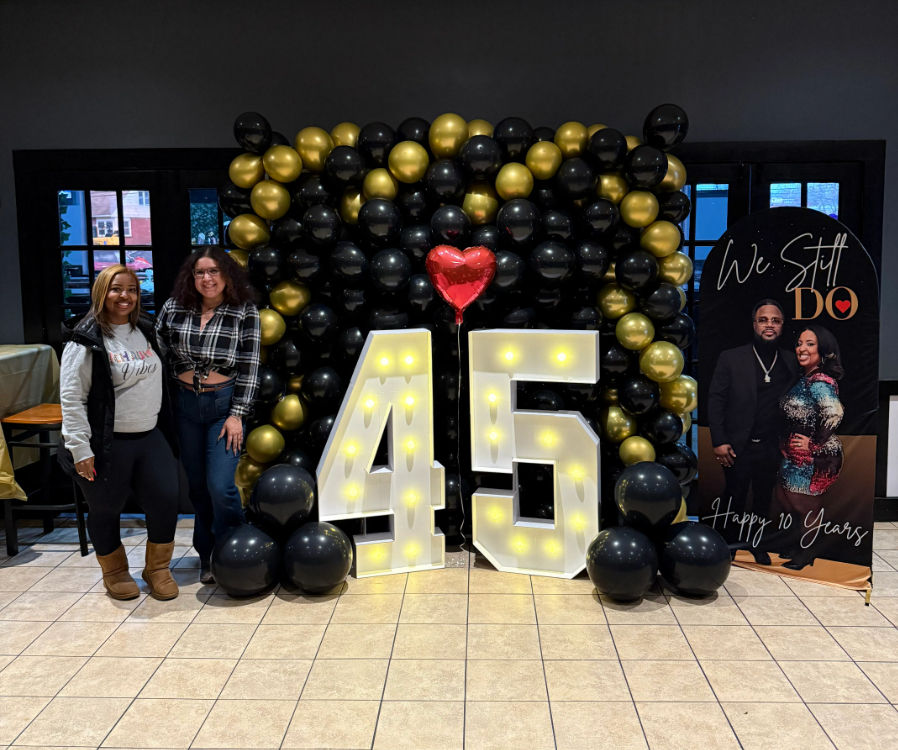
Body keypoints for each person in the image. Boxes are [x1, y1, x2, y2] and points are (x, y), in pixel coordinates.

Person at [59, 264, 179, 600]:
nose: (124, 296)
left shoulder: (146, 329)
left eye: (131, 289)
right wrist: (80, 448)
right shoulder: (85, 338)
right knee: (106, 508)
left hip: (149, 435)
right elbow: (71, 398)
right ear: (101, 293)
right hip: (105, 442)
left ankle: (157, 569)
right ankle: (114, 571)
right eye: (115, 289)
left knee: (166, 501)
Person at [155, 246, 260, 584]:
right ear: (192, 276)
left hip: (222, 407)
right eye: (200, 272)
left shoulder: (243, 311)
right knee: (198, 487)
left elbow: (250, 366)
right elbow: (159, 346)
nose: (207, 278)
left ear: (226, 274)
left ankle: (236, 548)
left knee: (220, 485)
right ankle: (208, 555)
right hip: (186, 406)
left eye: (213, 271)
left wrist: (237, 414)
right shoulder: (175, 308)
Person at [707, 298, 798, 563]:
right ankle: (728, 545)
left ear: (782, 326)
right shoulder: (731, 358)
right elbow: (716, 400)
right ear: (754, 324)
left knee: (762, 499)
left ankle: (756, 544)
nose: (769, 325)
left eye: (775, 320)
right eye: (763, 320)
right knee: (734, 496)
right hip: (737, 444)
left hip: (772, 445)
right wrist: (719, 440)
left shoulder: (791, 361)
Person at [775, 323, 844, 570]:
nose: (801, 348)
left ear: (823, 351)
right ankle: (798, 545)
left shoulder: (820, 382)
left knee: (806, 506)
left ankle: (807, 553)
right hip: (794, 455)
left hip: (814, 458)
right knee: (788, 501)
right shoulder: (805, 378)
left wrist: (813, 444)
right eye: (799, 343)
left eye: (810, 344)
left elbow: (834, 414)